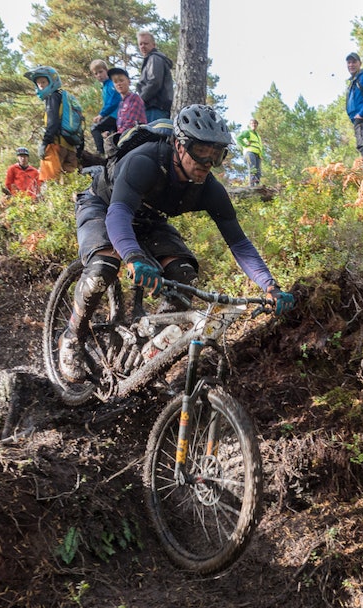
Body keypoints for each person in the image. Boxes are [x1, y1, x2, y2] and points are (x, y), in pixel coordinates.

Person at [58, 104, 295, 383]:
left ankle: (150, 350)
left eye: (216, 156)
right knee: (102, 269)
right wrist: (134, 257)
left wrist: (270, 286)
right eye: (200, 152)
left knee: (183, 274)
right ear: (179, 146)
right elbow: (118, 214)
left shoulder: (209, 189)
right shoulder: (144, 162)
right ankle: (72, 337)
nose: (206, 164)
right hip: (104, 205)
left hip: (149, 219)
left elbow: (239, 243)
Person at [25, 66, 80, 183]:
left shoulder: (52, 98)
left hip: (55, 146)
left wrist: (45, 143)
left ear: (52, 81)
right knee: (70, 184)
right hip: (70, 147)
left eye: (43, 82)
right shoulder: (64, 97)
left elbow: (52, 123)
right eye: (38, 83)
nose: (41, 85)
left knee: (50, 183)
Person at [135, 31, 175, 122]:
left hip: (156, 107)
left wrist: (140, 100)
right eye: (140, 44)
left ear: (153, 44)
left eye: (145, 43)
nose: (143, 46)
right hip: (154, 107)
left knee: (152, 135)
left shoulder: (154, 58)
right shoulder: (150, 60)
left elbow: (154, 82)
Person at [89, 59, 120, 155]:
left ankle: (100, 152)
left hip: (116, 114)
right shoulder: (105, 87)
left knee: (95, 128)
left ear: (106, 70)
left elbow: (114, 101)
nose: (99, 75)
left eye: (101, 72)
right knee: (114, 138)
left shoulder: (111, 84)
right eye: (96, 73)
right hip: (113, 115)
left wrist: (102, 114)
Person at [110, 67, 146, 136]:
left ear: (129, 82)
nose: (119, 84)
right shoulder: (121, 103)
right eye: (115, 82)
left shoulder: (134, 98)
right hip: (125, 137)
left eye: (121, 80)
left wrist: (117, 135)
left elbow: (131, 123)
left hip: (137, 137)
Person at [235, 119, 262, 186]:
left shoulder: (258, 136)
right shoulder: (247, 132)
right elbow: (238, 138)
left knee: (258, 171)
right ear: (250, 125)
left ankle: (257, 185)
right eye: (252, 123)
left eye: (255, 124)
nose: (254, 125)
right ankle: (251, 185)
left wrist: (261, 155)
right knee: (252, 168)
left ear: (257, 125)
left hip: (257, 154)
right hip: (249, 153)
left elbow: (260, 146)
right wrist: (245, 145)